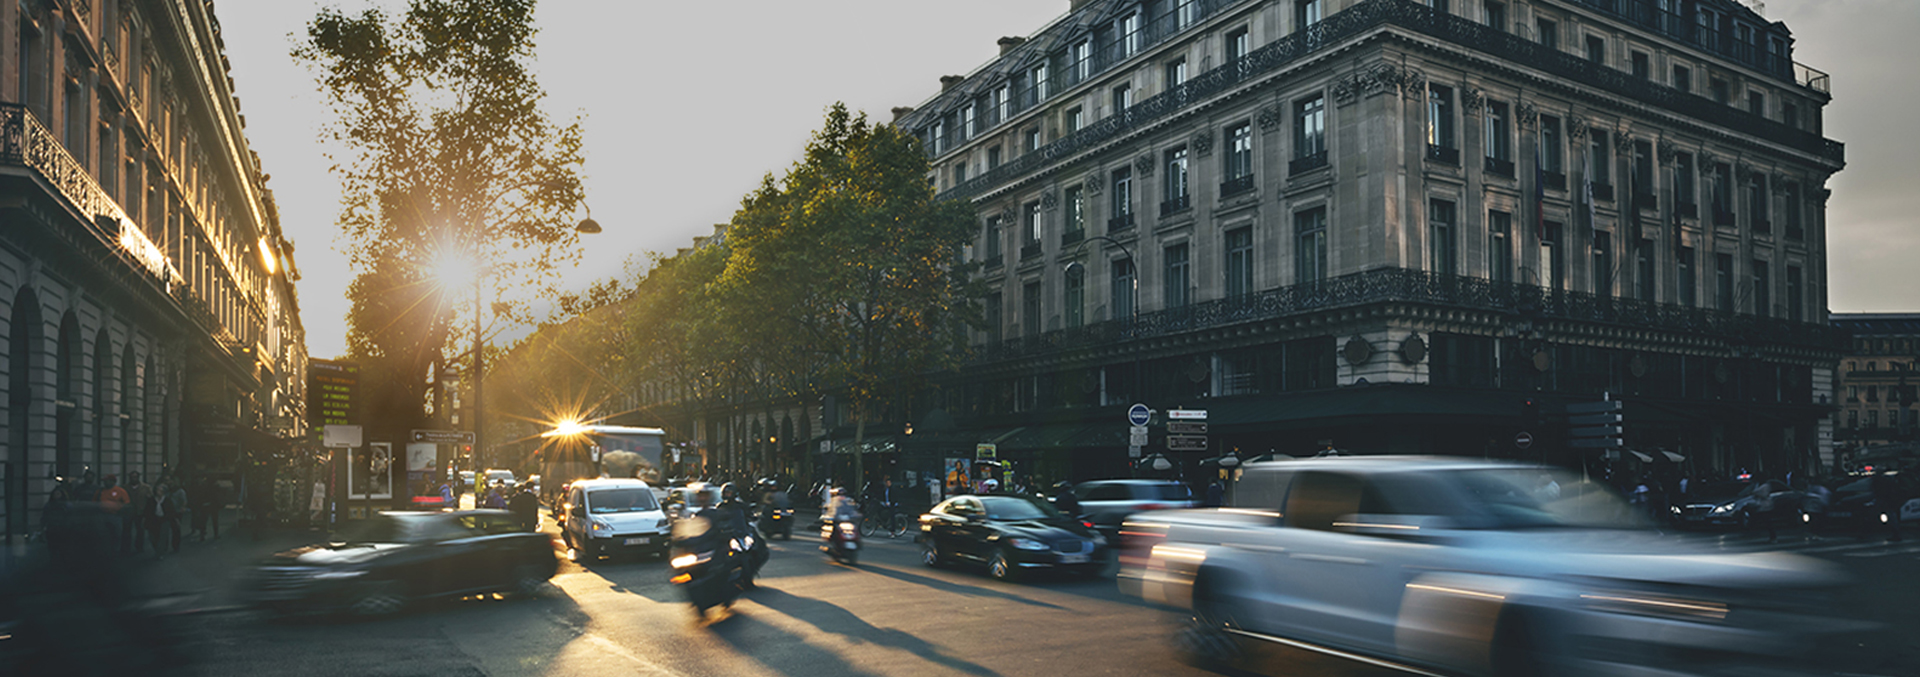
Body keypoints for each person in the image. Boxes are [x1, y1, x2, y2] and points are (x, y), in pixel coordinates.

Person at [96, 475, 130, 553]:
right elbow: (95, 501)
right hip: (102, 515)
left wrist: (120, 509)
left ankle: (115, 551)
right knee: (102, 534)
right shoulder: (100, 491)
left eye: (107, 481)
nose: (105, 483)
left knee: (116, 534)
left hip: (116, 516)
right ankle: (104, 550)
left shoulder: (120, 491)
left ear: (113, 482)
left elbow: (126, 503)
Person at [1871, 470, 1903, 542]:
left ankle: (1896, 534)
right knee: (1893, 517)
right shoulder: (1889, 482)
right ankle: (1896, 533)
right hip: (1890, 501)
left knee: (1891, 518)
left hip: (1887, 501)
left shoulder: (1881, 483)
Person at [125, 471, 151, 554]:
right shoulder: (125, 487)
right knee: (127, 531)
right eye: (132, 477)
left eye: (135, 477)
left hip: (140, 512)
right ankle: (126, 548)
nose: (134, 479)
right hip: (128, 512)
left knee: (140, 531)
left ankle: (139, 546)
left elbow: (150, 499)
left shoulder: (145, 487)